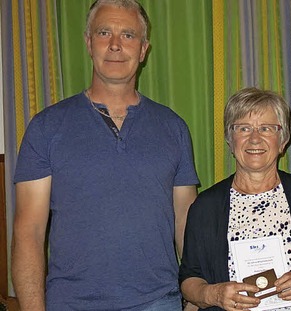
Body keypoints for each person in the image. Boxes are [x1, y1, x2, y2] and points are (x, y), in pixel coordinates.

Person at [11, 0, 199, 310]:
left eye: (128, 35)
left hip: (158, 302)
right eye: (103, 32)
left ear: (143, 49)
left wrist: (194, 298)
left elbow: (186, 225)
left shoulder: (173, 127)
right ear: (88, 43)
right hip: (71, 303)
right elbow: (28, 231)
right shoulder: (47, 126)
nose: (115, 45)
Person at [179, 87, 291, 311]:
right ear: (230, 139)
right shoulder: (206, 206)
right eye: (243, 128)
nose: (255, 138)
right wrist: (214, 294)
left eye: (266, 128)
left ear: (283, 140)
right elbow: (189, 280)